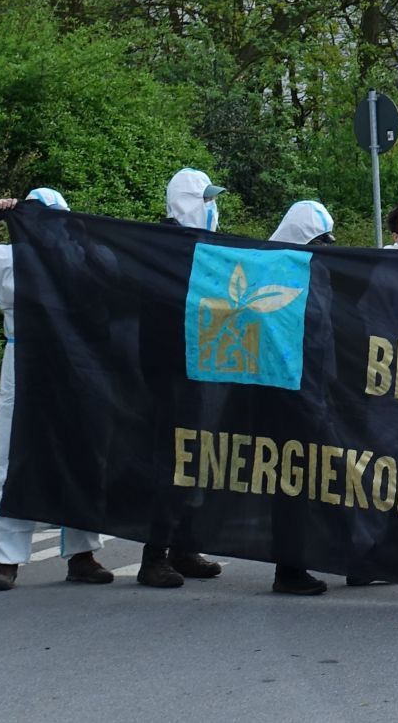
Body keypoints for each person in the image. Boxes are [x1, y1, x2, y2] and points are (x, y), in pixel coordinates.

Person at [0, 191, 114, 593]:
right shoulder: (9, 258)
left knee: (81, 454)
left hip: (75, 363)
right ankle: (6, 559)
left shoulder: (83, 256)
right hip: (25, 360)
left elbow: (117, 279)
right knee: (13, 456)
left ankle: (81, 553)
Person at [134, 169, 227, 588]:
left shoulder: (197, 244)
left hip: (197, 363)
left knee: (194, 455)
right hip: (170, 367)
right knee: (170, 459)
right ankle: (154, 555)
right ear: (188, 201)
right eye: (205, 201)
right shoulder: (162, 246)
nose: (213, 209)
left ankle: (184, 546)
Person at [267, 202, 336, 595]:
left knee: (317, 479)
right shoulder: (274, 271)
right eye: (319, 239)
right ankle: (289, 568)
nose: (326, 246)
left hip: (315, 389)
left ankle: (312, 558)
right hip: (285, 395)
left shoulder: (318, 270)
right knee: (292, 482)